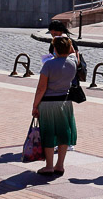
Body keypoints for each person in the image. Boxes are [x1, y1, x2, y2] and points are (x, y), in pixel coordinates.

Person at [32, 36, 78, 176]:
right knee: (64, 133)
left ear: (55, 49)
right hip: (65, 102)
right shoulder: (73, 62)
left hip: (48, 103)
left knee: (49, 134)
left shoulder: (48, 65)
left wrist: (35, 106)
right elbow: (74, 52)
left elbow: (41, 88)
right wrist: (69, 43)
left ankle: (49, 166)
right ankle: (60, 165)